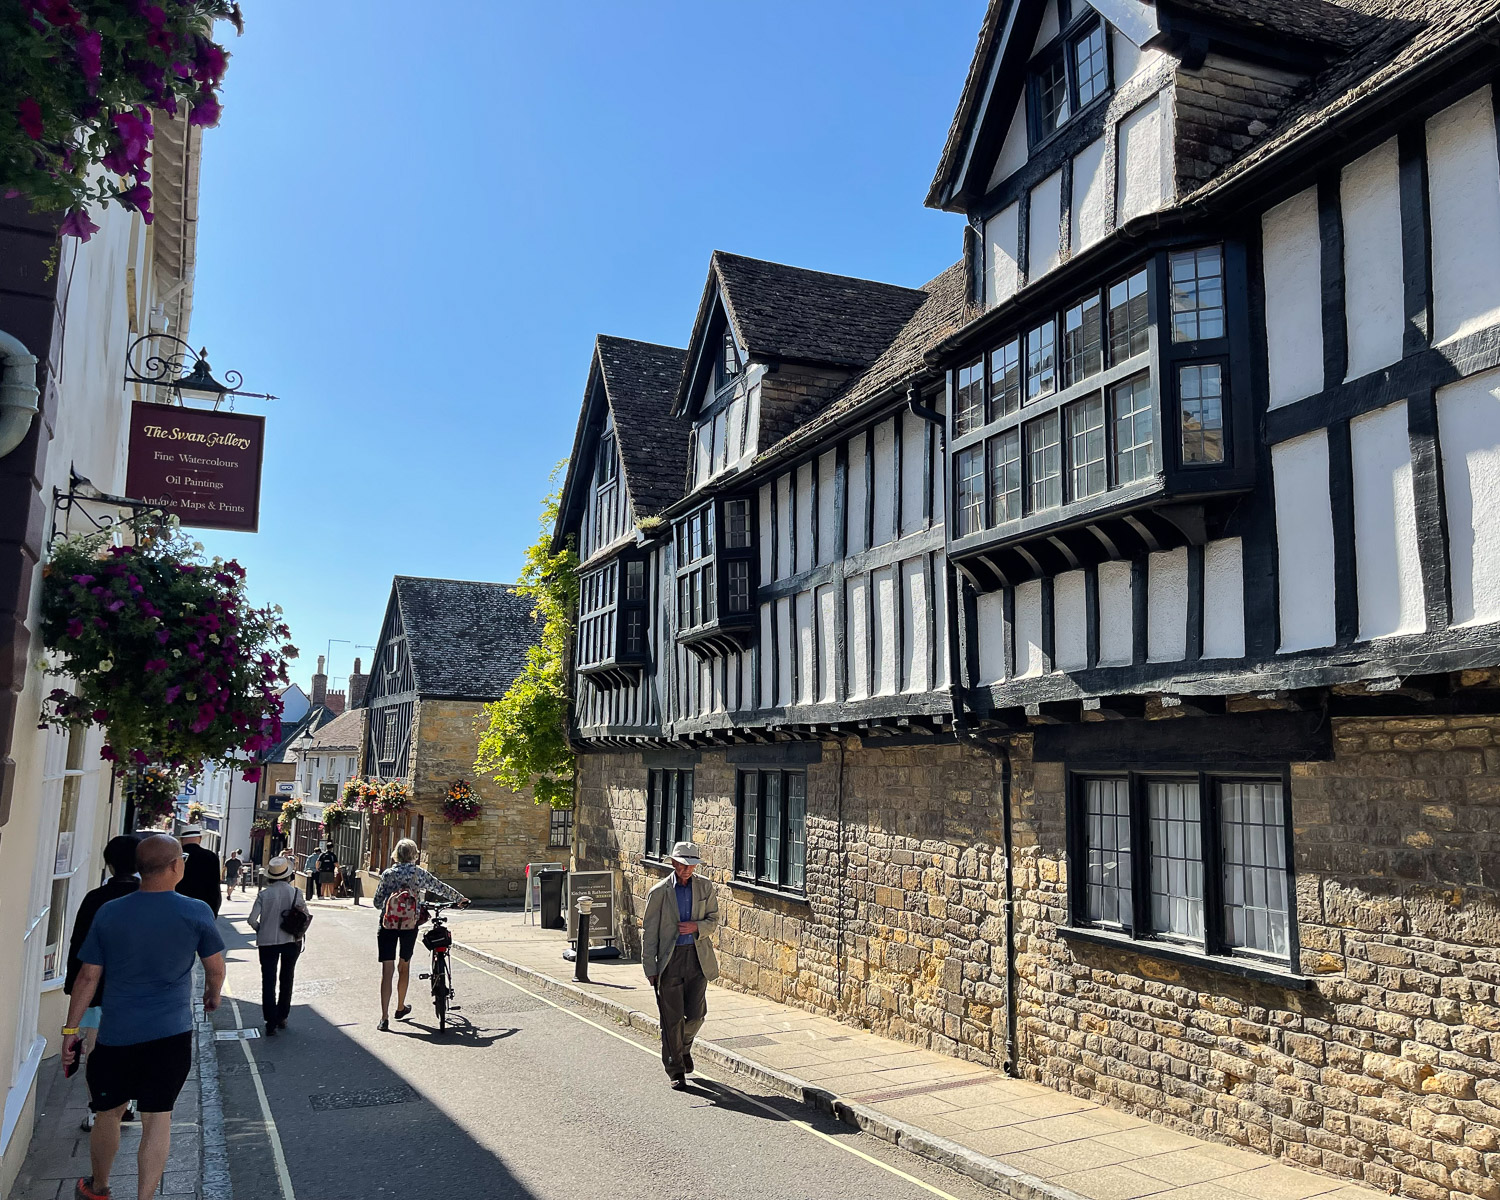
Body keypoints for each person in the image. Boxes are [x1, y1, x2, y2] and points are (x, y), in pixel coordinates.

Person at [63, 834, 225, 1200]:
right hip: (170, 1034)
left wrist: (70, 1030)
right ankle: (145, 1197)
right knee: (158, 1118)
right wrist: (212, 996)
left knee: (108, 1111)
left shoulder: (110, 912)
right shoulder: (195, 910)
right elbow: (215, 969)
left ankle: (99, 1188)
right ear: (174, 867)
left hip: (117, 1034)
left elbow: (88, 976)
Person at [65, 835, 140, 1132]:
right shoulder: (148, 898)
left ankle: (99, 1109)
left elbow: (78, 945)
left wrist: (74, 988)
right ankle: (126, 1103)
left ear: (108, 865)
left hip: (98, 990)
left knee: (96, 1049)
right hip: (137, 990)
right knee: (132, 1046)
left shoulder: (95, 899)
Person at [641, 840, 718, 1090]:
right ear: (673, 863)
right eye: (683, 865)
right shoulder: (659, 892)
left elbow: (714, 920)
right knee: (671, 1020)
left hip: (697, 958)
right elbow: (650, 933)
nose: (687, 870)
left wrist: (697, 927)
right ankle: (675, 1069)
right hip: (670, 960)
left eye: (692, 865)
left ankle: (683, 1047)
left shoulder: (705, 887)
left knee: (696, 1016)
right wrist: (650, 969)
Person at [371, 838, 468, 1031]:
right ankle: (400, 1007)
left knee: (387, 970)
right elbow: (439, 887)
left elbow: (376, 902)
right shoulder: (418, 873)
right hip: (409, 925)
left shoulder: (388, 874)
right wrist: (459, 898)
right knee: (404, 967)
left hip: (388, 924)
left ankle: (384, 1018)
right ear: (414, 854)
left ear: (396, 854)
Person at [246, 856, 311, 1037]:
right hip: (290, 940)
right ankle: (282, 1016)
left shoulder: (264, 894)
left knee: (268, 980)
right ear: (288, 875)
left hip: (267, 942)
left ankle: (270, 1021)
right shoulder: (296, 893)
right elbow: (305, 915)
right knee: (287, 978)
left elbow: (251, 919)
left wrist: (261, 929)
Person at [174, 825, 221, 917]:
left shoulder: (175, 856)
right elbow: (215, 887)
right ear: (199, 838)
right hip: (203, 908)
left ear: (181, 840)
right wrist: (214, 911)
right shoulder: (211, 856)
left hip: (178, 907)